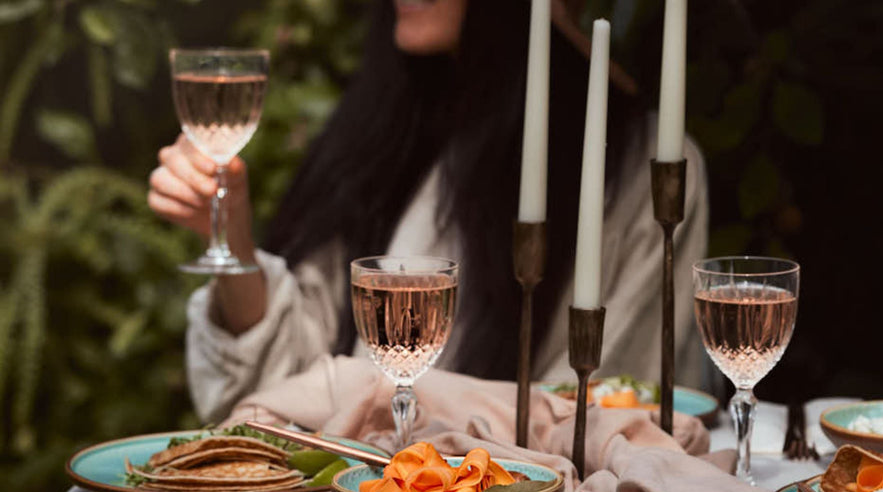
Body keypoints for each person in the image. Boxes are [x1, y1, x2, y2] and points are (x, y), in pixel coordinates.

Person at [149, 0, 709, 423]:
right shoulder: (390, 129)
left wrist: (354, 393)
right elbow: (287, 382)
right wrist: (234, 239)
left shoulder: (638, 167)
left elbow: (602, 412)